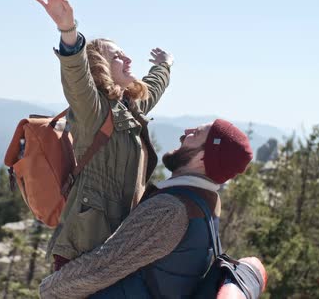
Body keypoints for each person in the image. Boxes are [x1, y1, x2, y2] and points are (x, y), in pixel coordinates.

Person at [33, 0, 174, 270]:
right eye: (117, 56)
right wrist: (68, 30)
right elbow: (76, 76)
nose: (128, 59)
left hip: (117, 247)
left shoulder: (130, 107)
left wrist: (164, 65)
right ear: (101, 66)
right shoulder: (92, 108)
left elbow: (153, 86)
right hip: (82, 250)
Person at [39, 119, 267, 298]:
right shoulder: (207, 203)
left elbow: (102, 267)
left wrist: (48, 289)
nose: (185, 132)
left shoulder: (171, 209)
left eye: (195, 134)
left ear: (202, 158)